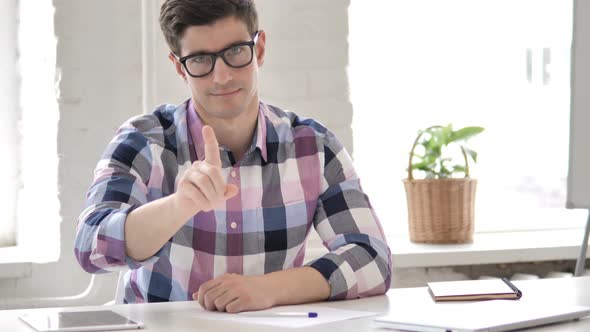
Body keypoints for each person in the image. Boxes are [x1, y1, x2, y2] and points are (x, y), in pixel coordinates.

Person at [75, 0, 391, 313]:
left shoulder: (313, 146)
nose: (222, 76)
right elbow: (90, 247)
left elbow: (372, 258)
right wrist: (179, 205)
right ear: (178, 66)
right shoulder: (142, 141)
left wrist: (268, 289)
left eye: (236, 52)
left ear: (260, 49)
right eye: (200, 59)